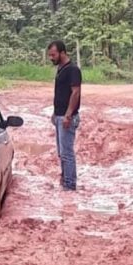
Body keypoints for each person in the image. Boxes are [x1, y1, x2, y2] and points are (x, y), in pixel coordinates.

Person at [48, 40, 82, 191]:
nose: (51, 58)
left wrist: (68, 115)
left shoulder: (73, 70)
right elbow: (61, 93)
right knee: (61, 152)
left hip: (67, 117)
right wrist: (56, 113)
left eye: (53, 55)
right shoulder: (61, 68)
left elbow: (76, 92)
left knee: (67, 153)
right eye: (50, 55)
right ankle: (64, 181)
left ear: (62, 53)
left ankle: (70, 186)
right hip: (60, 116)